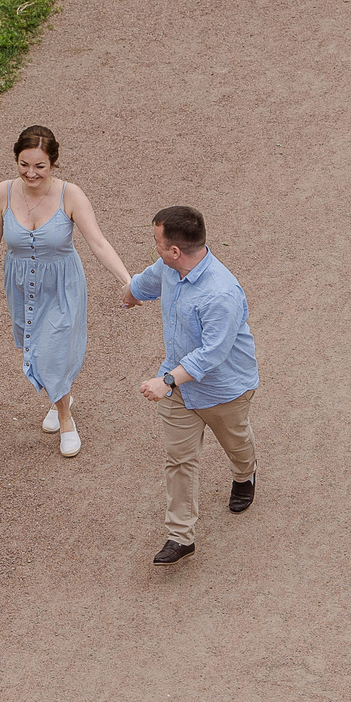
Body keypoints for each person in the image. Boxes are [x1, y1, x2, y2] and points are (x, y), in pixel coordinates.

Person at [0, 126, 135, 456]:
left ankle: (65, 419)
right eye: (24, 164)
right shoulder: (2, 194)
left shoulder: (70, 195)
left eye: (40, 166)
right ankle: (61, 394)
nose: (31, 173)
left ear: (53, 163)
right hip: (21, 286)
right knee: (34, 347)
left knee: (51, 351)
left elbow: (98, 243)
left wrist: (127, 280)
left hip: (62, 285)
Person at [122, 204, 257, 564]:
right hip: (180, 389)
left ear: (175, 250)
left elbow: (212, 354)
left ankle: (245, 474)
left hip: (223, 389)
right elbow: (146, 281)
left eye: (157, 243)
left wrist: (166, 381)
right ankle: (181, 536)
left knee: (236, 441)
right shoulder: (170, 269)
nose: (155, 249)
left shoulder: (221, 294)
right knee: (179, 459)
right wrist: (131, 294)